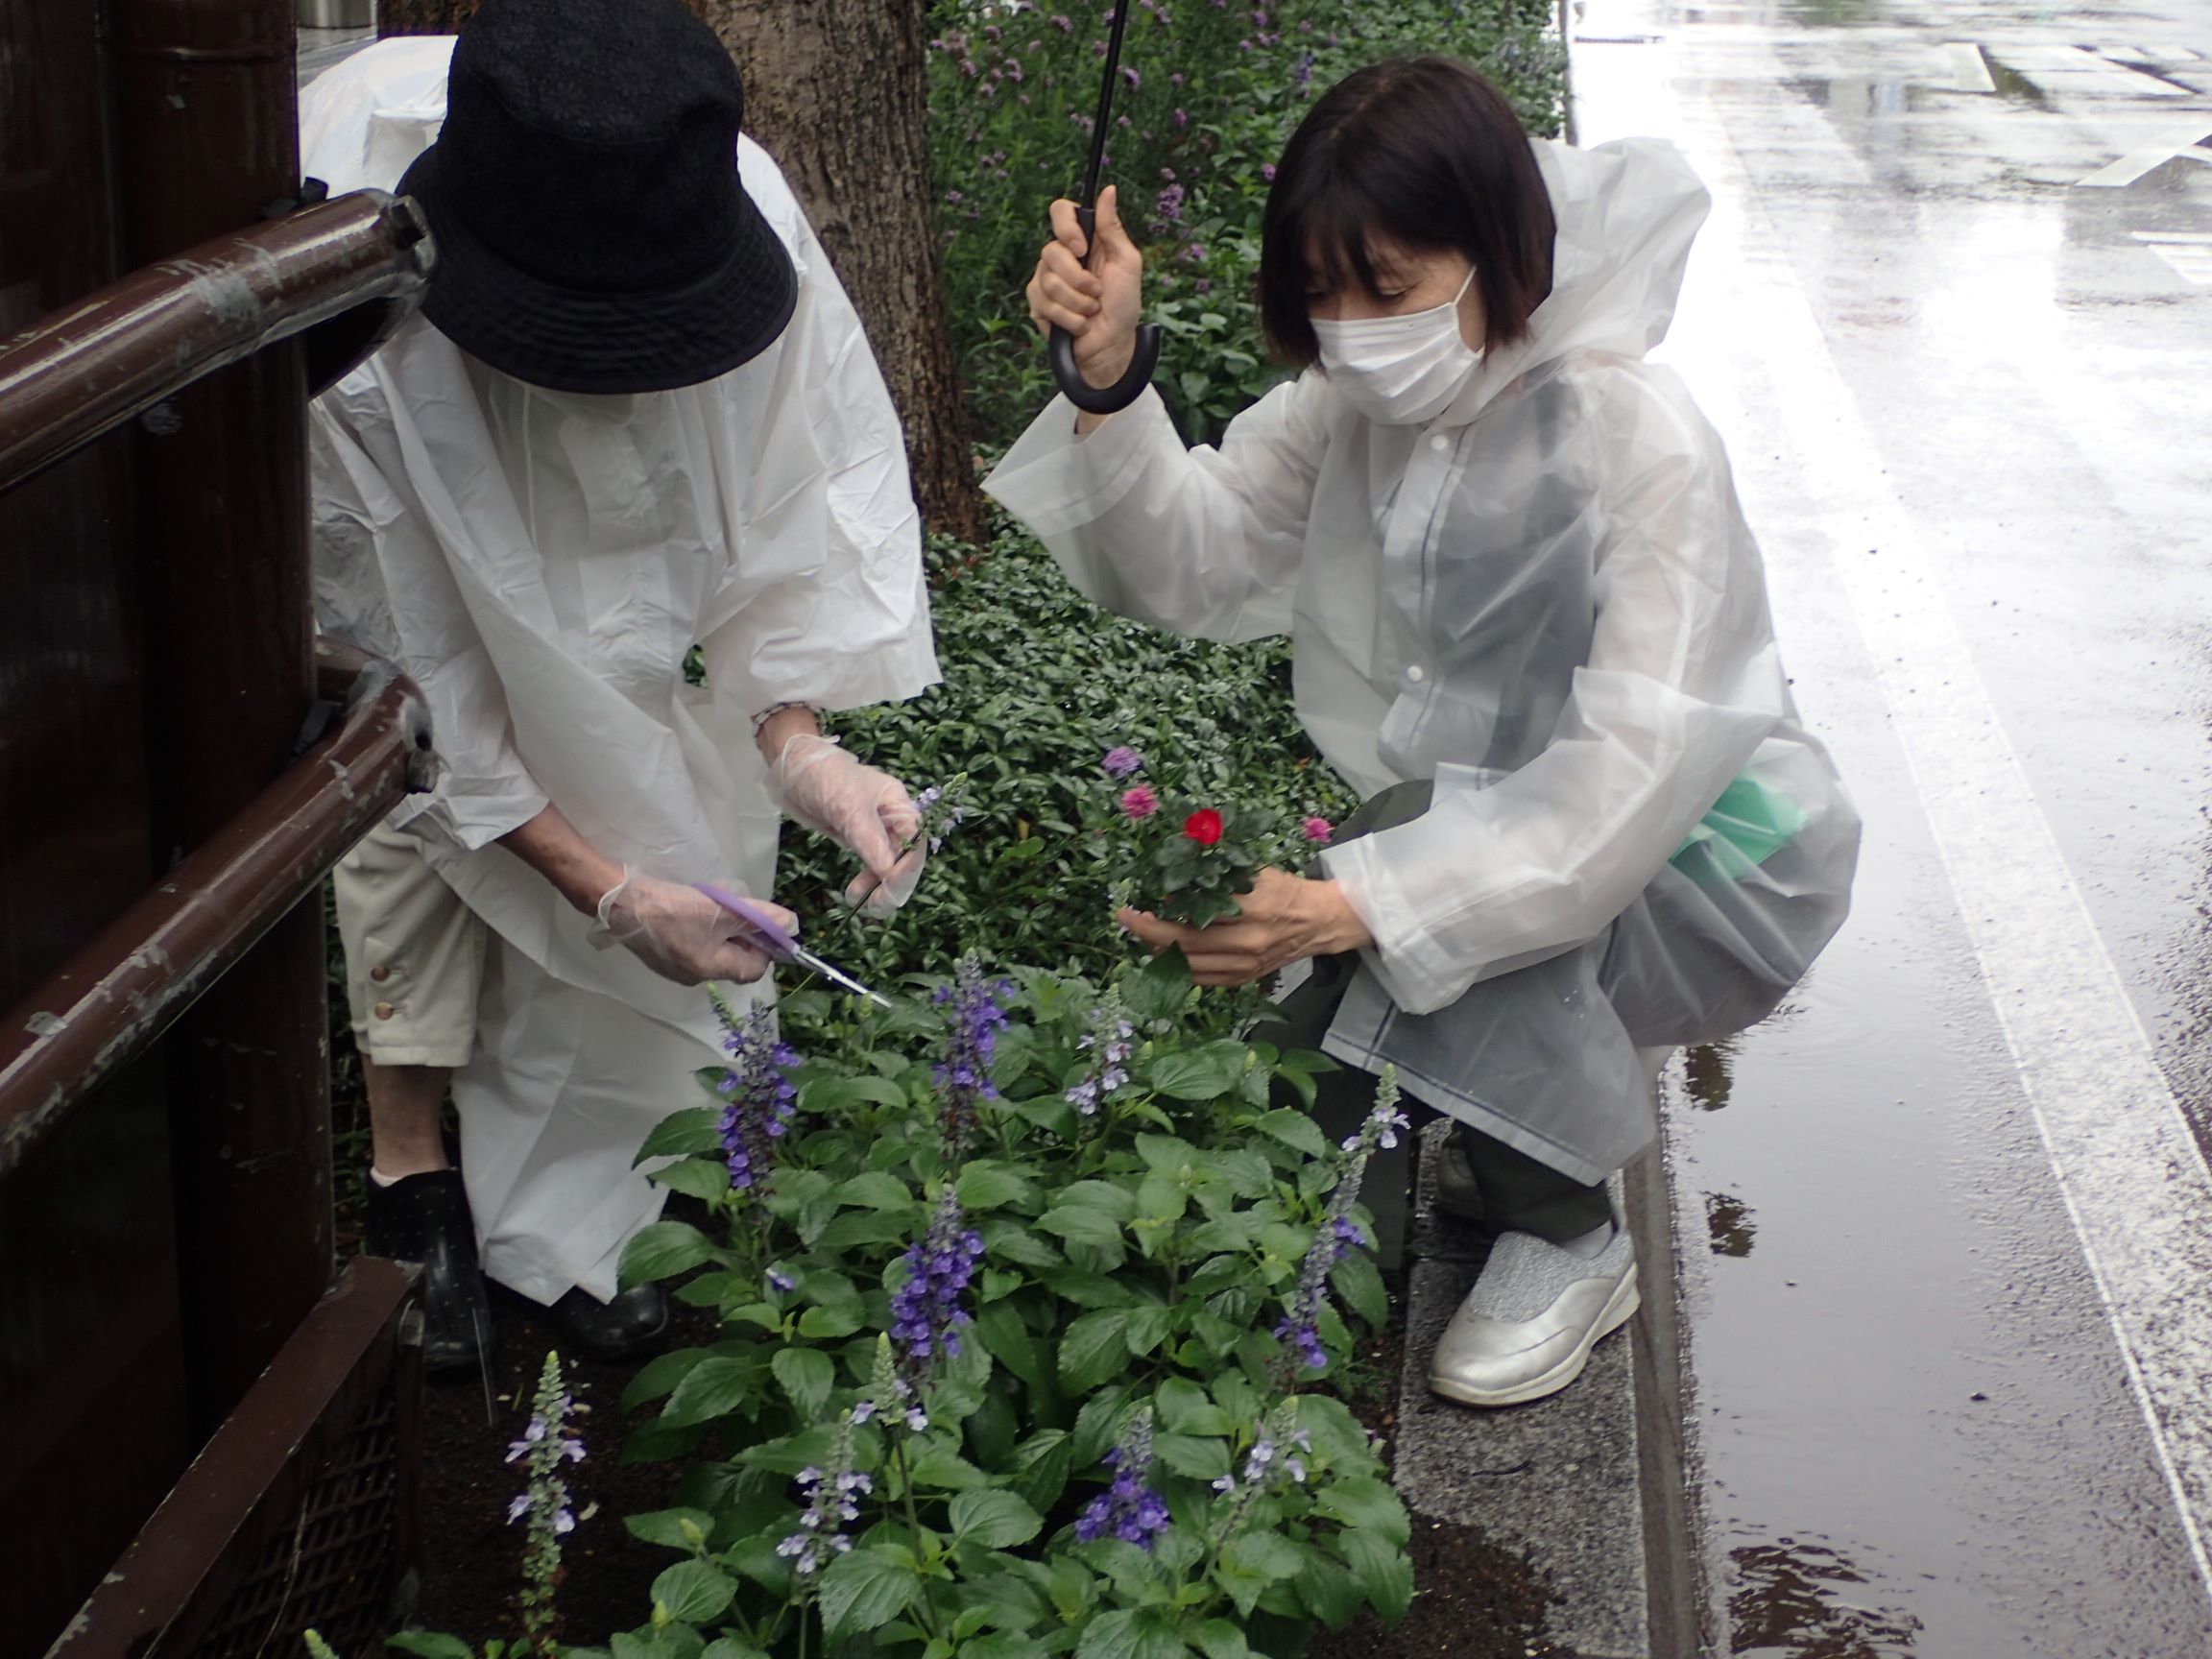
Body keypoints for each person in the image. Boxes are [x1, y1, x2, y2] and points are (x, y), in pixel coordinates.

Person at [990, 58, 1859, 1407]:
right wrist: (1111, 382)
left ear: (1498, 251)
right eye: (1320, 295)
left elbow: (1621, 792)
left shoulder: (1636, 439)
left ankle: (1567, 1228)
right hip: (1486, 819)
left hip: (1705, 861)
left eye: (1387, 289)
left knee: (1411, 881)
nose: (1350, 332)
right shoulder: (1350, 406)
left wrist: (1351, 904)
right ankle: (1389, 1193)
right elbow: (1197, 559)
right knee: (1395, 901)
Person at [300, 0, 939, 1368]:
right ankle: (411, 1166)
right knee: (404, 813)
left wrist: (804, 750)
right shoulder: (345, 295)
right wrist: (610, 893)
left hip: (573, 523)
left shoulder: (717, 198)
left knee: (621, 784)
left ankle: (574, 1209)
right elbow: (413, 680)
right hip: (403, 511)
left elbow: (785, 521)